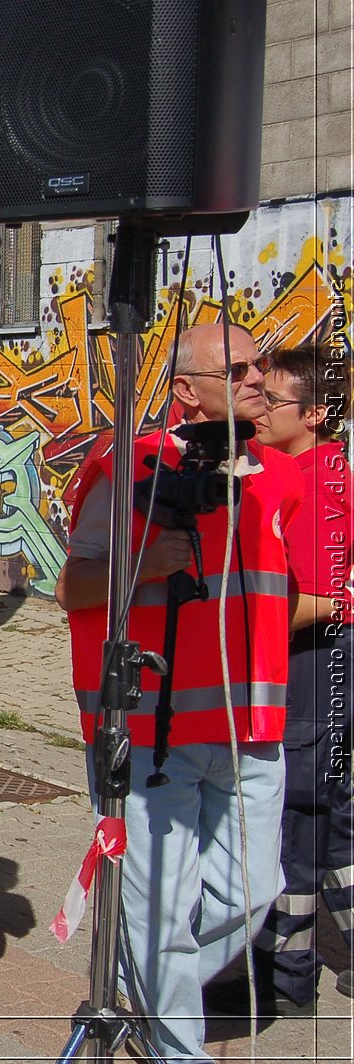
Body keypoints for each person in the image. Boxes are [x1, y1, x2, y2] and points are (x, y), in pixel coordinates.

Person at [55, 322, 301, 1061]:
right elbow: (72, 588)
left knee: (253, 895)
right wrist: (144, 565)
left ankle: (155, 986)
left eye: (260, 366)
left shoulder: (284, 478)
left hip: (251, 726)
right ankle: (175, 1047)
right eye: (240, 368)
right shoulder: (126, 464)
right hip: (148, 729)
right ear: (187, 391)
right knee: (158, 914)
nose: (259, 379)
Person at [245, 342, 354, 1010]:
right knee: (327, 821)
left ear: (314, 414)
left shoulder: (318, 481)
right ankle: (287, 979)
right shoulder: (315, 470)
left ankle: (285, 982)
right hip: (322, 664)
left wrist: (233, 627)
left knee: (300, 823)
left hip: (318, 664)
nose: (259, 408)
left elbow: (319, 598)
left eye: (272, 399)